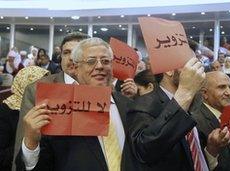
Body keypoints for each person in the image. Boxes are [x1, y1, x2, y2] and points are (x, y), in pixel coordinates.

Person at [16, 37, 140, 171]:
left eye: (105, 61)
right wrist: (30, 142)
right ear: (76, 68)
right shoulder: (57, 110)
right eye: (91, 61)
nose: (99, 66)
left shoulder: (129, 106)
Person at [12, 32, 91, 170]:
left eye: (78, 52)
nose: (71, 58)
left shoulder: (100, 89)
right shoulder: (37, 89)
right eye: (66, 52)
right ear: (60, 57)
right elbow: (23, 139)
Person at [127, 57, 209, 170]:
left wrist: (212, 150)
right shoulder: (144, 105)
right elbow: (145, 151)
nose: (197, 70)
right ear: (169, 70)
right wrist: (185, 92)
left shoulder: (193, 103)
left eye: (197, 63)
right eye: (190, 65)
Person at [0, 66, 49, 171]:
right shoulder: (6, 111)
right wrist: (27, 145)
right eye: (40, 85)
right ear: (26, 85)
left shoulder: (44, 107)